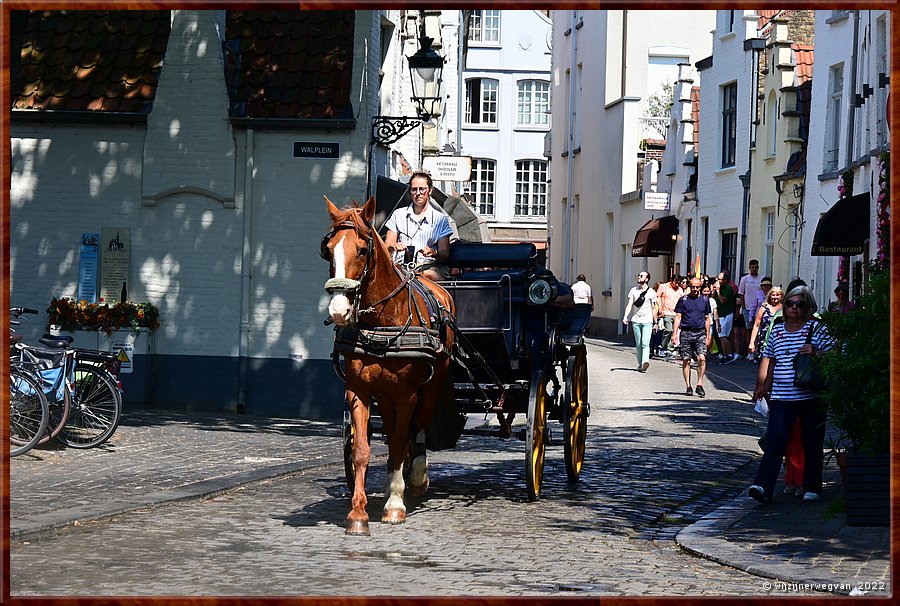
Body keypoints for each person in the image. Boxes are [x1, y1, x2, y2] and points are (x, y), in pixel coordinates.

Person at [748, 285, 835, 504]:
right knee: (776, 441)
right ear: (784, 306)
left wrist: (817, 352)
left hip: (810, 397)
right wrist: (762, 386)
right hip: (782, 396)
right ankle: (763, 486)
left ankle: (812, 486)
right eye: (790, 303)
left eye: (799, 304)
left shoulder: (816, 328)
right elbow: (769, 358)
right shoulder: (777, 330)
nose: (794, 308)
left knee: (812, 442)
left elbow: (836, 353)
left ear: (808, 307)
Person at [383, 170, 453, 281]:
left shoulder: (440, 219)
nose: (418, 193)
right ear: (410, 191)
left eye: (422, 189)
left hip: (429, 266)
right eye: (414, 189)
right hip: (400, 266)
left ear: (430, 191)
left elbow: (445, 254)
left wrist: (434, 253)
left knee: (429, 275)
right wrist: (394, 246)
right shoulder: (398, 214)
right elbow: (386, 246)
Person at [672, 277, 712, 397]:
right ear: (689, 287)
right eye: (693, 287)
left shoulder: (705, 300)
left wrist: (708, 335)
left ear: (700, 287)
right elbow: (678, 317)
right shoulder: (683, 300)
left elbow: (707, 318)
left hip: (700, 333)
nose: (695, 289)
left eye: (697, 287)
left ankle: (699, 384)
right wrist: (674, 334)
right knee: (686, 360)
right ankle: (688, 386)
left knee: (702, 358)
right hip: (686, 332)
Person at [622, 271, 658, 373]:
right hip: (636, 320)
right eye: (638, 275)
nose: (639, 277)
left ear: (646, 279)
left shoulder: (651, 292)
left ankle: (645, 362)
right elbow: (630, 304)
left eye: (641, 276)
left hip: (647, 321)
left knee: (645, 343)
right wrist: (625, 316)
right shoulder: (633, 290)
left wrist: (655, 322)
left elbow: (653, 307)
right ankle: (640, 363)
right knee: (638, 344)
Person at [748, 280, 780, 362]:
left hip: (779, 342)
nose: (775, 297)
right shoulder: (764, 308)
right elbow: (756, 325)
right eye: (773, 295)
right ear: (770, 296)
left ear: (781, 296)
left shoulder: (785, 309)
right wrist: (752, 343)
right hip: (764, 342)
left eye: (777, 295)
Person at [737, 259, 763, 359]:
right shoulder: (745, 279)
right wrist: (743, 307)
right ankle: (750, 352)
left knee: (758, 331)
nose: (754, 269)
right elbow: (741, 293)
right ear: (749, 268)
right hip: (748, 309)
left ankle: (757, 351)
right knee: (749, 330)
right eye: (753, 267)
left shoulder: (761, 278)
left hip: (759, 308)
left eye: (756, 267)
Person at [712, 270, 738, 364]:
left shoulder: (728, 288)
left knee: (723, 335)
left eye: (720, 279)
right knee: (720, 336)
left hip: (726, 315)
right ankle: (724, 354)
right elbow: (713, 297)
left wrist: (718, 291)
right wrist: (715, 290)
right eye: (718, 279)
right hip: (719, 315)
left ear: (726, 280)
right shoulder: (718, 288)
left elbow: (723, 300)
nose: (718, 281)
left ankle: (729, 355)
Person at [656, 274, 683, 357]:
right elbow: (657, 297)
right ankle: (662, 347)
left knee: (674, 332)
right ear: (671, 281)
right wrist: (660, 308)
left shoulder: (680, 289)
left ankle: (670, 348)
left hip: (677, 313)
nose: (677, 285)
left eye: (679, 283)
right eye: (676, 283)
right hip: (667, 312)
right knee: (668, 330)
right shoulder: (664, 286)